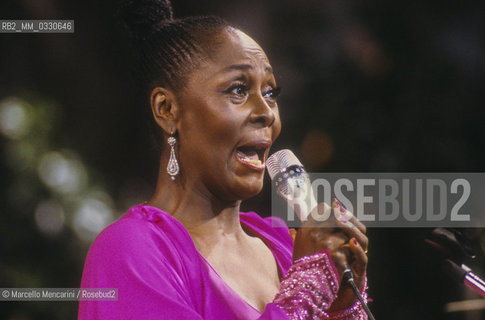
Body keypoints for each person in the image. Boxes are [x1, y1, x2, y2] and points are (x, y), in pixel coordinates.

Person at [78, 0, 369, 319]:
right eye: (238, 89)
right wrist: (308, 286)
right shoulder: (131, 250)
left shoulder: (283, 244)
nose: (266, 113)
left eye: (271, 92)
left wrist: (342, 306)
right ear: (167, 109)